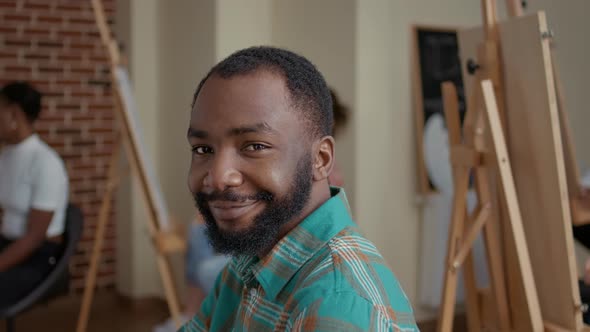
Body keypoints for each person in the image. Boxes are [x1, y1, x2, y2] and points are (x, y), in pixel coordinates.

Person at [181, 46, 417, 331]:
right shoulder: (250, 260)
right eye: (203, 149)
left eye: (255, 146)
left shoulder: (336, 304)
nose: (218, 177)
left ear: (321, 159)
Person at [0, 82, 69, 309]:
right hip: (8, 245)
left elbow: (35, 238)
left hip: (38, 256)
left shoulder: (46, 162)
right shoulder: (6, 156)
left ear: (13, 114)